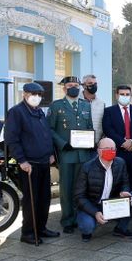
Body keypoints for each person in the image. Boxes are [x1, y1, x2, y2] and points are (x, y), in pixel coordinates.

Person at [4, 82, 58, 245]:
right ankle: (28, 233)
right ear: (24, 94)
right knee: (31, 200)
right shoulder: (16, 112)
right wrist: (21, 160)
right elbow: (12, 139)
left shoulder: (39, 111)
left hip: (43, 162)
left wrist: (50, 153)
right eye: (33, 94)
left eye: (39, 94)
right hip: (29, 165)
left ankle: (41, 228)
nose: (37, 97)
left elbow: (46, 134)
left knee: (44, 198)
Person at [47, 76, 95, 234]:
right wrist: (62, 143)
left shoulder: (85, 105)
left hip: (84, 154)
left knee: (82, 188)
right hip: (66, 154)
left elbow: (89, 126)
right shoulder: (56, 106)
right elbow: (49, 129)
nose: (73, 88)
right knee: (67, 188)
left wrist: (91, 141)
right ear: (64, 88)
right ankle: (67, 220)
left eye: (76, 85)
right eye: (70, 86)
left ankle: (81, 216)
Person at [73, 138, 132, 242]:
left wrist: (124, 191)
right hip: (92, 204)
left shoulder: (120, 163)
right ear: (99, 151)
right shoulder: (87, 167)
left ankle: (121, 228)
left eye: (113, 149)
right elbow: (79, 196)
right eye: (107, 148)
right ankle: (87, 231)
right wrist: (95, 212)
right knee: (87, 226)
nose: (110, 151)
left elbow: (125, 183)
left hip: (110, 203)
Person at [102, 85, 132, 185]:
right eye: (122, 94)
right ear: (116, 96)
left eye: (127, 94)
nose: (125, 96)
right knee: (119, 181)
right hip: (118, 151)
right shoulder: (109, 111)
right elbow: (108, 129)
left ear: (131, 96)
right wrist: (123, 143)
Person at [79, 74, 106, 144]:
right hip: (79, 143)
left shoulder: (101, 103)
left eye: (95, 84)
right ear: (84, 86)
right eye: (90, 83)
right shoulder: (76, 101)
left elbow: (103, 124)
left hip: (96, 143)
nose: (93, 85)